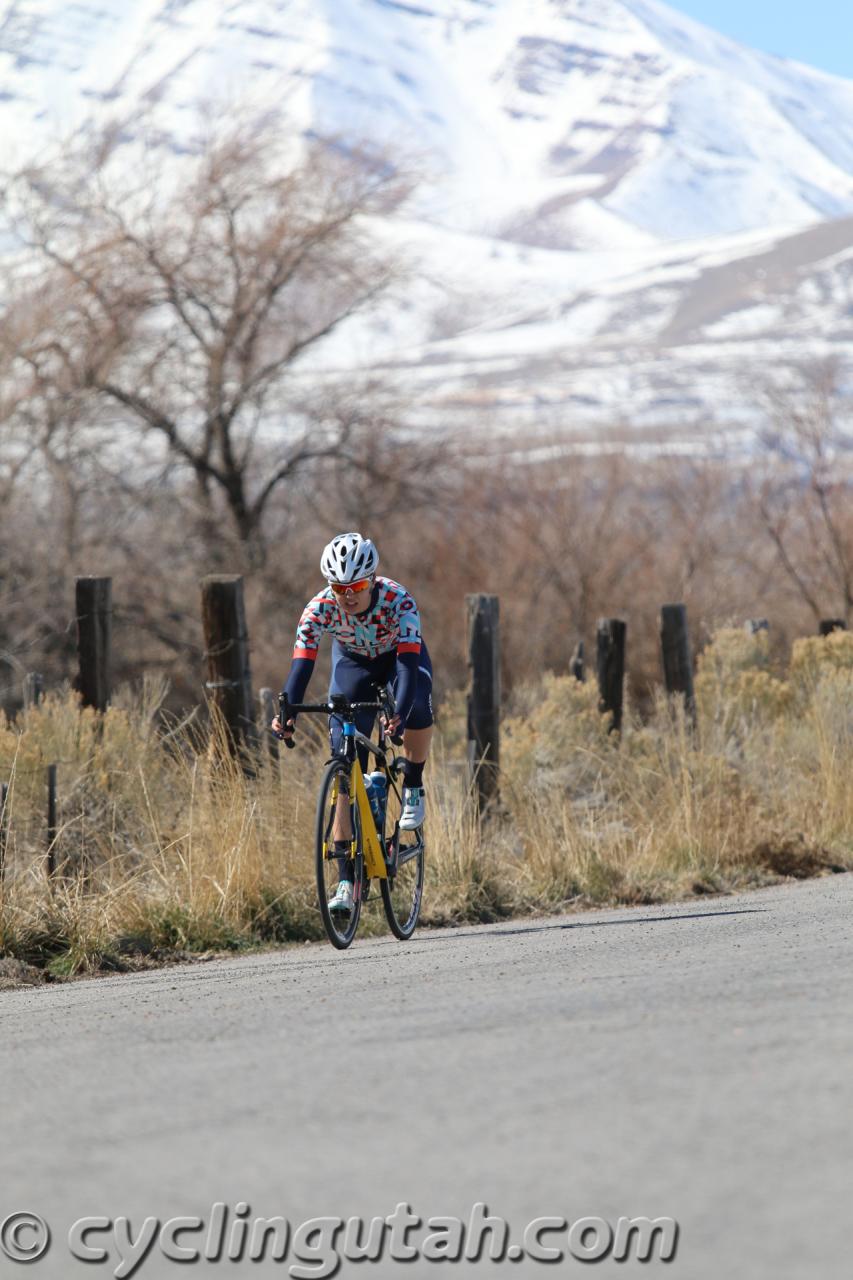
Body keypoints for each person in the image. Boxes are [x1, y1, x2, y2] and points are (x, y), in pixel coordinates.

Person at [272, 531, 433, 914]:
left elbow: (409, 668)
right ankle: (346, 880)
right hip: (353, 663)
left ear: (373, 579)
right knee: (343, 765)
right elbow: (301, 668)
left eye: (357, 585)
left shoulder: (399, 600)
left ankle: (412, 783)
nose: (348, 595)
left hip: (397, 658)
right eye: (339, 587)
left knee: (418, 709)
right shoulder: (318, 610)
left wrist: (399, 713)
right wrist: (287, 713)